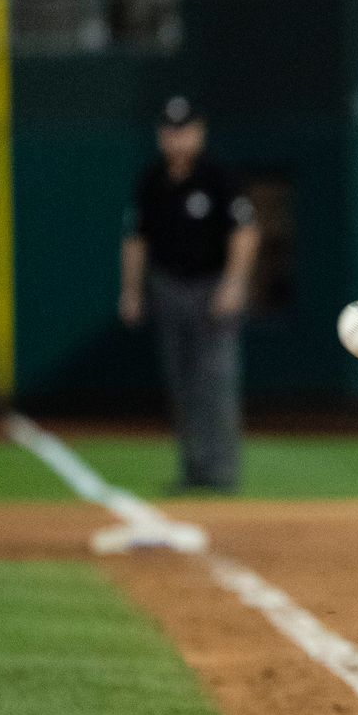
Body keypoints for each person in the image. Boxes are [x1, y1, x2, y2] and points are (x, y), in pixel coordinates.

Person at [120, 96, 258, 492]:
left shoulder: (218, 177)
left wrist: (233, 284)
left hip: (212, 287)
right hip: (168, 286)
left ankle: (221, 473)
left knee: (217, 381)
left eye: (184, 130)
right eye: (170, 131)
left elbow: (246, 233)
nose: (177, 139)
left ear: (199, 132)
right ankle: (193, 470)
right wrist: (131, 291)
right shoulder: (151, 180)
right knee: (181, 383)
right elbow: (135, 239)